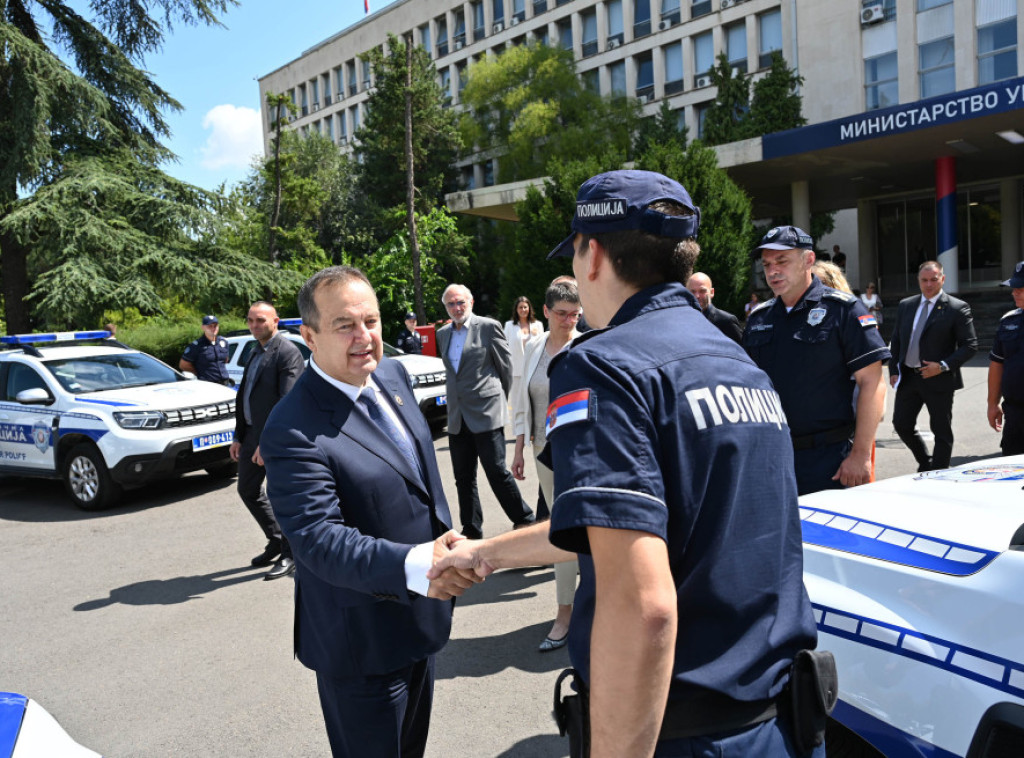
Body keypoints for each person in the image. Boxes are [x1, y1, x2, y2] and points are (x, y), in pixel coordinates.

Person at [431, 170, 822, 758]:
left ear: (591, 256)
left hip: (681, 731)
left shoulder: (602, 366)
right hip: (778, 725)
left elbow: (641, 602)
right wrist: (487, 554)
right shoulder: (738, 360)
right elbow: (633, 527)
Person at [260, 267, 478, 758]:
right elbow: (318, 539)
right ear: (309, 336)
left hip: (422, 615)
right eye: (345, 326)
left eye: (372, 321)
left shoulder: (394, 374)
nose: (365, 338)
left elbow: (416, 477)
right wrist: (420, 564)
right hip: (361, 646)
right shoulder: (292, 427)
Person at [744, 226, 889, 496]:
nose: (772, 271)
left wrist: (860, 455)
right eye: (766, 264)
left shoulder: (843, 310)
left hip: (829, 459)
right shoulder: (759, 318)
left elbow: (872, 382)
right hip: (771, 457)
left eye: (782, 261)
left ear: (808, 260)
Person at [511, 279, 581, 653]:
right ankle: (567, 611)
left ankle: (577, 610)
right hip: (543, 453)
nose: (569, 321)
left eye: (575, 315)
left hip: (582, 455)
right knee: (561, 532)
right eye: (561, 314)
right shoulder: (534, 345)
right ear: (546, 312)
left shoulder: (589, 344)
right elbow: (522, 399)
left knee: (581, 532)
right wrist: (520, 446)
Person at [437, 284, 535, 539]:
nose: (456, 308)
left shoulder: (488, 327)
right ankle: (471, 529)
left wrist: (498, 402)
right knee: (463, 477)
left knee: (497, 471)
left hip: (486, 411)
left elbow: (505, 369)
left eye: (460, 302)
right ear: (445, 307)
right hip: (457, 417)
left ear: (471, 302)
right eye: (451, 304)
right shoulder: (443, 333)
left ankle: (525, 519)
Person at [230, 301, 305, 580]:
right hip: (250, 437)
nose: (254, 325)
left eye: (260, 320)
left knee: (279, 495)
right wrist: (239, 435)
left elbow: (287, 402)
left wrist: (269, 441)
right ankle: (275, 539)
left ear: (275, 321)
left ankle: (290, 553)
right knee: (248, 490)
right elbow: (244, 396)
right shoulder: (254, 352)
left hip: (275, 440)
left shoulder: (287, 353)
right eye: (250, 320)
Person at [888, 261, 978, 472]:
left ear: (942, 279)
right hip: (909, 377)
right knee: (901, 424)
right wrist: (894, 369)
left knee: (941, 430)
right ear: (918, 280)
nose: (929, 284)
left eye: (933, 280)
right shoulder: (906, 305)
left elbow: (971, 345)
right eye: (924, 280)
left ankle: (939, 473)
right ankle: (925, 462)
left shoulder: (957, 308)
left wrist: (944, 366)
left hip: (939, 378)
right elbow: (897, 339)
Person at [988, 261, 1024, 456]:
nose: (1014, 292)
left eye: (1020, 287)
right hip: (1015, 414)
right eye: (1013, 287)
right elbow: (997, 364)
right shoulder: (1008, 321)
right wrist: (993, 404)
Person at [504, 296, 544, 404]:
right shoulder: (509, 326)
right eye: (520, 307)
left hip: (533, 368)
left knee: (532, 400)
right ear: (516, 310)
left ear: (529, 308)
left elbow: (541, 347)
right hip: (515, 369)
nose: (523, 310)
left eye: (525, 307)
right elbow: (504, 347)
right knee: (516, 401)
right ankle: (515, 421)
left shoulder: (538, 325)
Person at [685, 271, 742, 342]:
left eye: (702, 291)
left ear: (712, 292)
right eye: (692, 291)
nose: (697, 296)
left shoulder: (726, 322)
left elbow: (742, 351)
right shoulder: (681, 322)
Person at [179, 315, 233, 385]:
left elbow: (225, 360)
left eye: (215, 326)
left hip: (225, 383)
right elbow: (183, 365)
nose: (213, 328)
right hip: (208, 385)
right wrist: (199, 374)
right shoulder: (196, 345)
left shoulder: (223, 342)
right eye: (210, 326)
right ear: (203, 327)